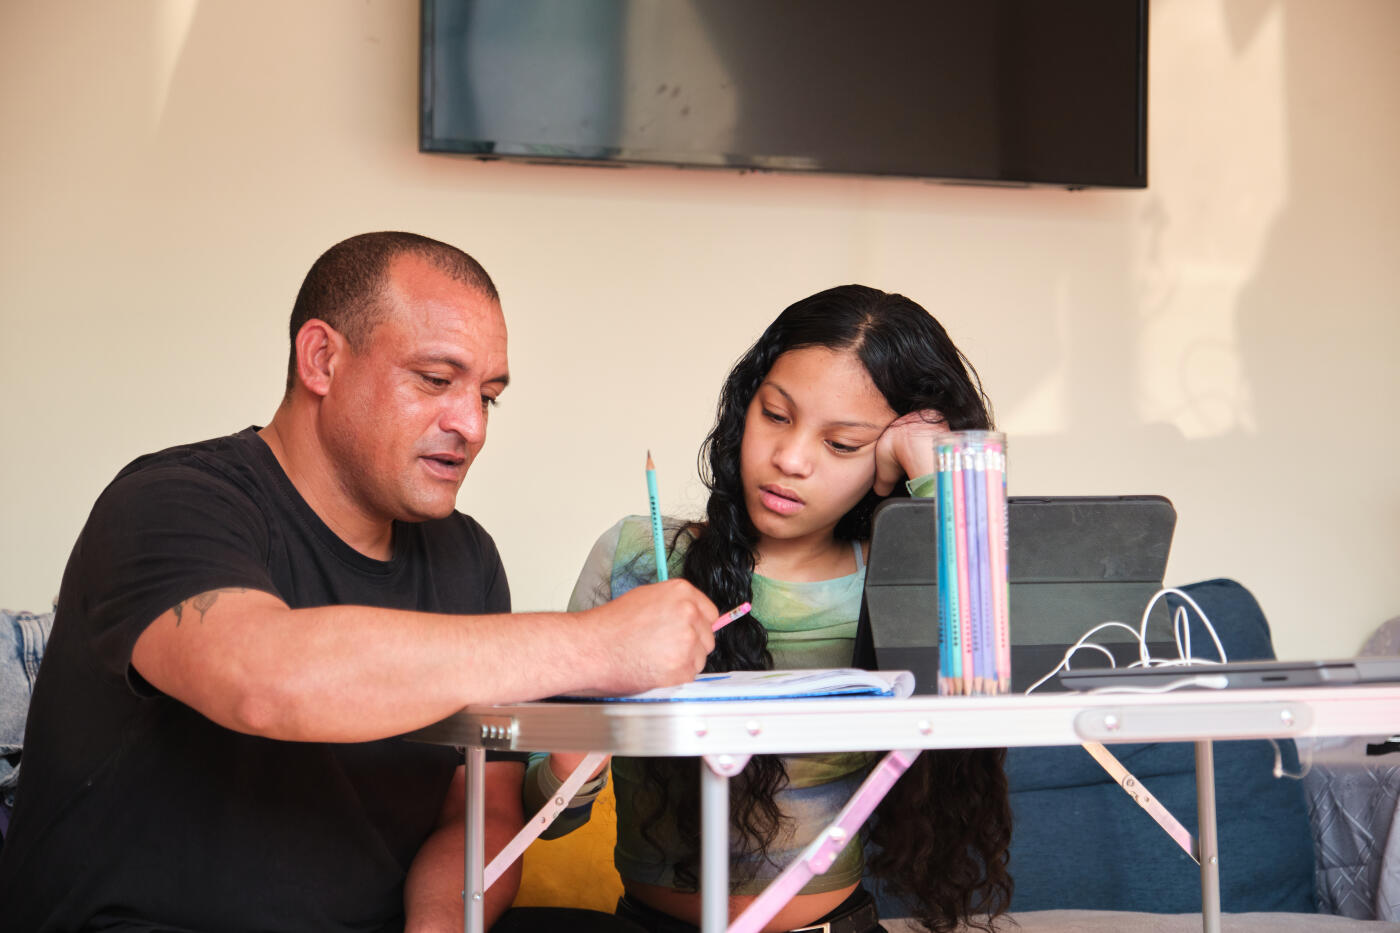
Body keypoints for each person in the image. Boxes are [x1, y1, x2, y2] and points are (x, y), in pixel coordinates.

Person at [0, 232, 717, 932]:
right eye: (436, 380)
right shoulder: (169, 502)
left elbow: (481, 811)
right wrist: (594, 644)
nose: (471, 425)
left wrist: (438, 923)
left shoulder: (466, 558)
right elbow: (264, 676)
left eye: (489, 396)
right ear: (322, 359)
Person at [525, 285, 1013, 933]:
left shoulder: (898, 578)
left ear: (884, 463)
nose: (788, 459)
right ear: (743, 405)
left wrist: (936, 470)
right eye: (776, 415)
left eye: (841, 444)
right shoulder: (640, 555)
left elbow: (987, 673)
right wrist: (583, 736)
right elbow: (549, 816)